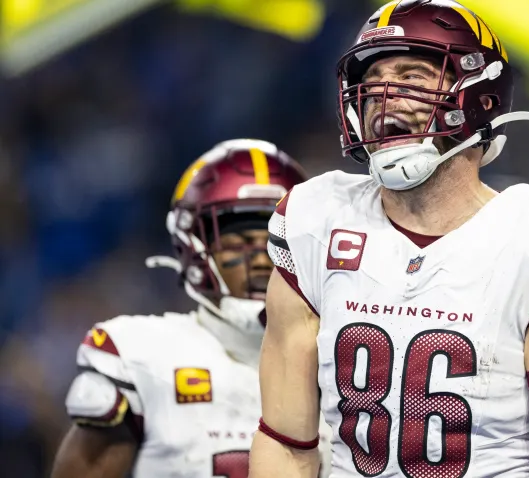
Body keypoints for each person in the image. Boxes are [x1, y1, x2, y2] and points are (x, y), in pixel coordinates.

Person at [251, 1, 529, 477]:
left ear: (481, 98)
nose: (384, 95)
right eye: (372, 82)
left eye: (412, 77)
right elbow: (286, 443)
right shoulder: (315, 222)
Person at [51, 139, 329, 478]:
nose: (261, 259)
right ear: (194, 247)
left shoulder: (347, 358)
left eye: (277, 244)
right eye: (238, 241)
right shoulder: (142, 357)